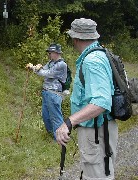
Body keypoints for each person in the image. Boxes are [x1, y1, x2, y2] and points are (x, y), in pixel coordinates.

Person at [56, 18, 118, 180]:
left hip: (96, 132)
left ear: (75, 39)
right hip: (100, 129)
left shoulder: (92, 61)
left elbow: (101, 101)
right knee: (98, 173)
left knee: (97, 176)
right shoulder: (100, 54)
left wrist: (69, 122)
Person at [26, 43, 67, 140]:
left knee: (55, 117)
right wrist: (35, 67)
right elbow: (43, 69)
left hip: (54, 93)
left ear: (56, 53)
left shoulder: (61, 65)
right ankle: (51, 136)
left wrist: (34, 69)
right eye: (48, 52)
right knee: (46, 116)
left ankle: (60, 138)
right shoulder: (51, 62)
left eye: (50, 52)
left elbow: (47, 73)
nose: (49, 54)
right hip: (46, 92)